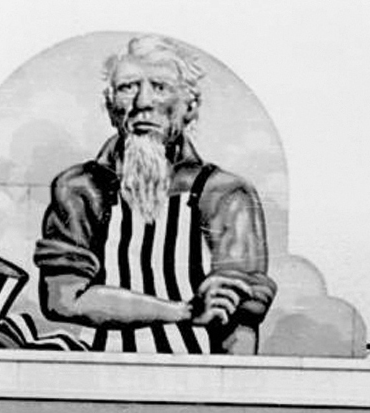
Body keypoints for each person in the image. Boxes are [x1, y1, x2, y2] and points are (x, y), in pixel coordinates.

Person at [34, 35, 276, 355]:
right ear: (110, 108)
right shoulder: (81, 186)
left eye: (160, 87)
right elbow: (63, 300)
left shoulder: (225, 193)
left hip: (197, 379)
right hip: (98, 374)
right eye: (128, 87)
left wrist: (231, 395)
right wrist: (184, 311)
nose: (143, 102)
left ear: (189, 107)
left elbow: (239, 320)